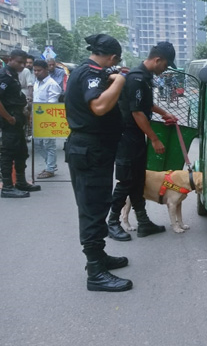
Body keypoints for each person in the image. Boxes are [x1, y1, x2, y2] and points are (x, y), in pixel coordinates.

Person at [65, 34, 132, 292]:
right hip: (89, 150)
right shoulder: (92, 73)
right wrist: (121, 80)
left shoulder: (86, 70)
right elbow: (100, 106)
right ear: (112, 57)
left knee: (99, 203)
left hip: (95, 150)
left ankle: (99, 257)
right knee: (92, 209)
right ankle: (95, 272)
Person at [107, 42, 178, 241]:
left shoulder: (145, 78)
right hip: (126, 136)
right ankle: (112, 222)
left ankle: (143, 221)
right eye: (165, 65)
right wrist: (155, 139)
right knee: (126, 181)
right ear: (158, 60)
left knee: (139, 180)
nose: (165, 70)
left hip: (136, 137)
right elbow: (137, 112)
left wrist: (165, 113)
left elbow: (146, 104)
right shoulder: (136, 78)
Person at [0, 50, 40, 198]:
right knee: (8, 153)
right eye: (19, 62)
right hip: (10, 120)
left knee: (21, 152)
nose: (23, 65)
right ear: (10, 59)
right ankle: (8, 187)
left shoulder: (14, 75)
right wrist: (8, 118)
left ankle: (21, 182)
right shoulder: (4, 75)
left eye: (25, 62)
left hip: (18, 119)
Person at [32, 59, 62, 179]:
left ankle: (49, 169)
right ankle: (51, 164)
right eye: (34, 70)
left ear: (46, 70)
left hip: (48, 118)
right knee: (38, 144)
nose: (36, 73)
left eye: (39, 70)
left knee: (49, 144)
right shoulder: (36, 83)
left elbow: (51, 104)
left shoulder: (52, 84)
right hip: (37, 118)